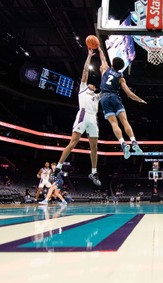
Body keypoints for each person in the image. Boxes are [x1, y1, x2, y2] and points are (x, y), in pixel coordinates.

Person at [53, 49, 101, 186]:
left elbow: (107, 90)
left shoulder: (97, 96)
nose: (93, 84)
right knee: (73, 143)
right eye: (91, 83)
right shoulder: (83, 88)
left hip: (93, 119)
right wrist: (89, 57)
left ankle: (94, 172)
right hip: (83, 114)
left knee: (94, 147)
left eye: (94, 85)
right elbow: (85, 72)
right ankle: (58, 168)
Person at [97, 46, 147, 159]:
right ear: (120, 68)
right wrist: (140, 99)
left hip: (104, 97)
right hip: (115, 97)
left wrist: (99, 48)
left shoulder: (105, 69)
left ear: (113, 64)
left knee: (114, 124)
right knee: (125, 121)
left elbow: (103, 58)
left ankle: (123, 144)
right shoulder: (120, 77)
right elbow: (129, 93)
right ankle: (134, 142)